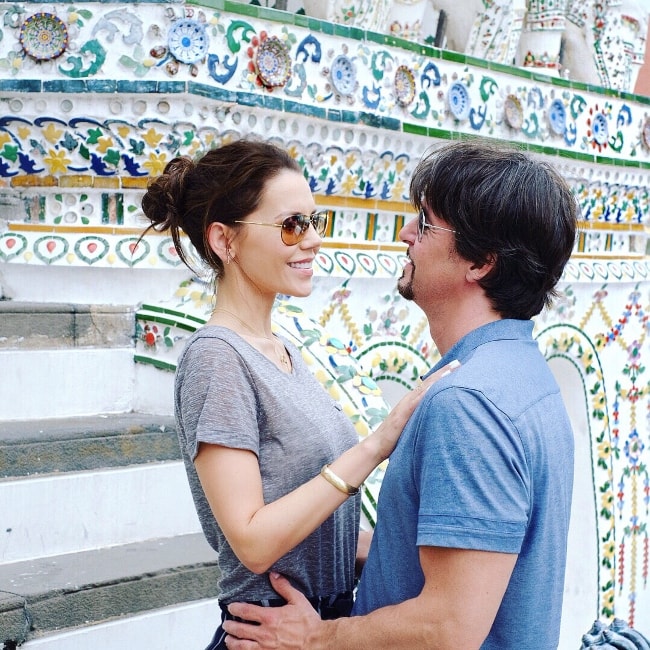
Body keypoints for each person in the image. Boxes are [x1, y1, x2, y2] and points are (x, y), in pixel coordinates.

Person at [222, 139, 578, 649]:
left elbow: (448, 626)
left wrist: (316, 638)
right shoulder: (525, 377)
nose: (406, 233)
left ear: (480, 262)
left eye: (426, 223)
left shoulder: (469, 404)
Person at [140, 139, 459, 650]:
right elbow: (254, 541)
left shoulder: (285, 351)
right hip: (267, 632)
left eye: (316, 222)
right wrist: (376, 446)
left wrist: (433, 554)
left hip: (320, 625)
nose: (312, 241)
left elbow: (310, 535)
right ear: (225, 240)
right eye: (291, 225)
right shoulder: (217, 358)